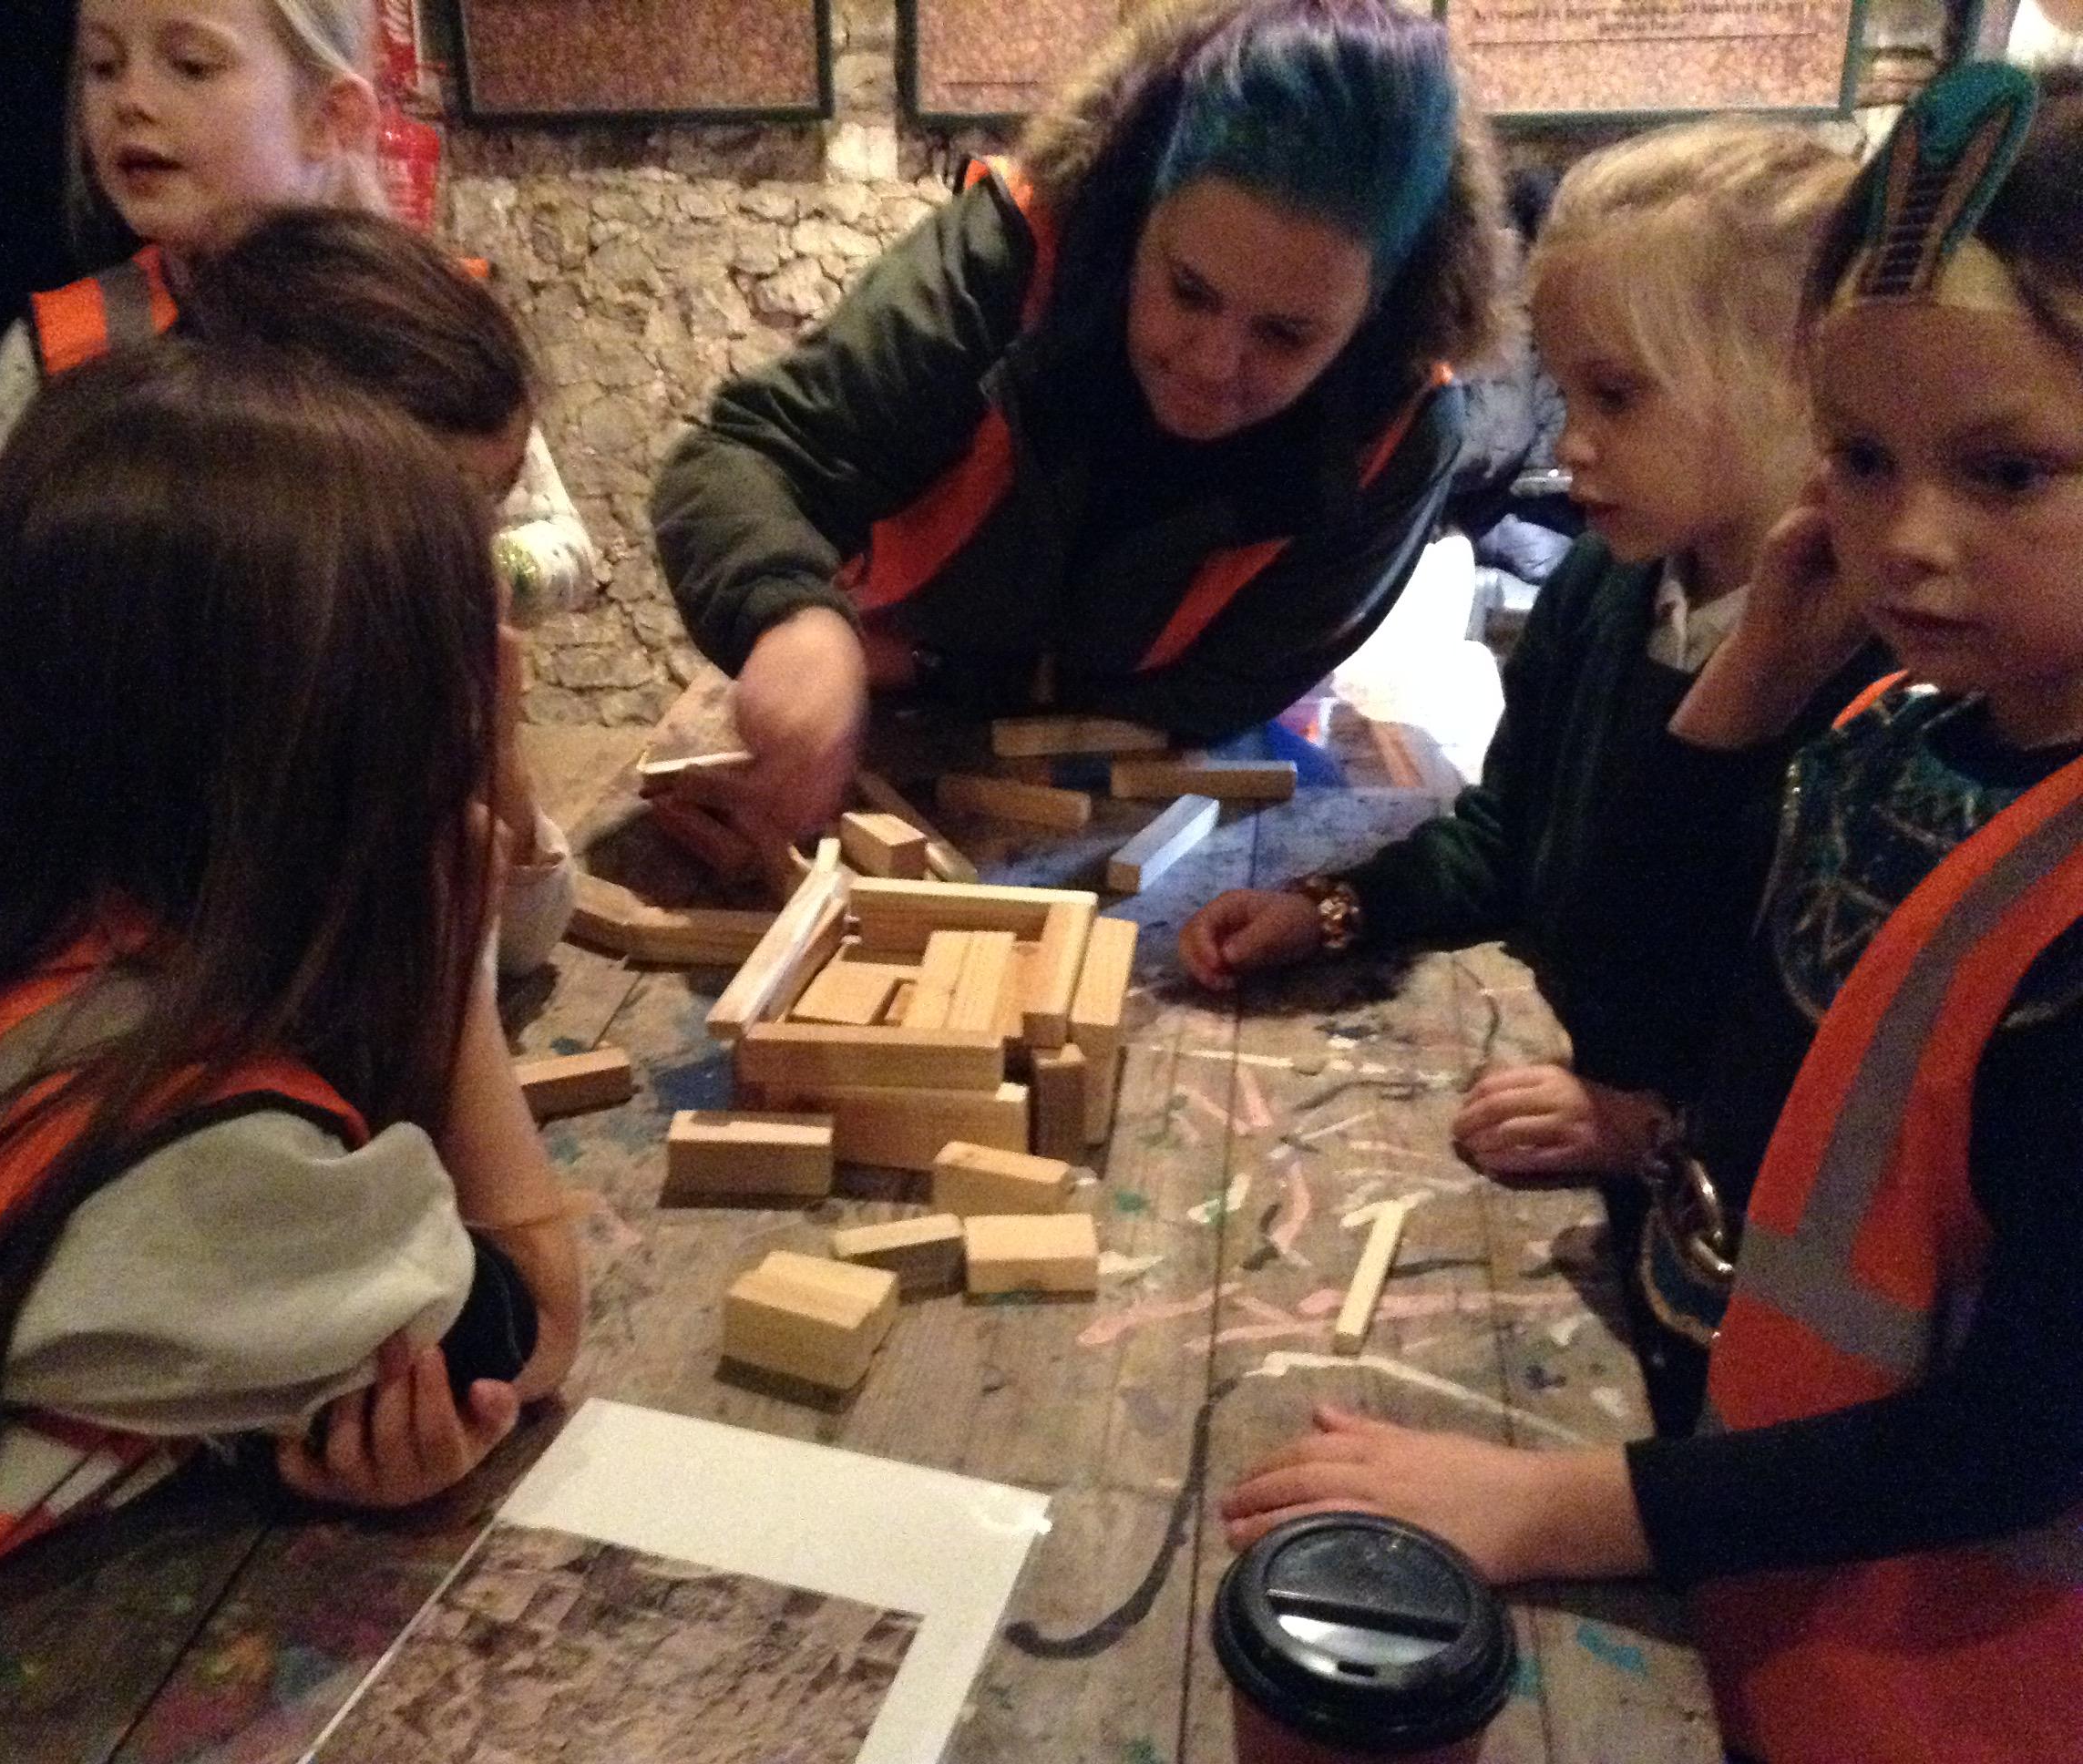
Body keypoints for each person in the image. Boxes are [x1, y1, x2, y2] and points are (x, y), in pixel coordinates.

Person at [1218, 63, 2083, 1762]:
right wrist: (1752, 675)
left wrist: (1560, 1507)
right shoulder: (1900, 733)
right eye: (1860, 458)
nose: (1906, 537)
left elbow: (2020, 1434)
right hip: (1762, 1528)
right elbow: (1613, 991)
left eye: (2007, 472)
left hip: (1951, 1657)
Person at [0, 346, 585, 1764]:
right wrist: (450, 960)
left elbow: (157, 1343)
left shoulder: (35, 971)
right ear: (341, 762)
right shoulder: (194, 1145)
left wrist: (291, 1424)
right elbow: (529, 1323)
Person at [1181, 121, 1875, 1401]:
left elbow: (1855, 1068)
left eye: (1618, 397)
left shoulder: (1883, 687)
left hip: (1736, 1275)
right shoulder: (1609, 592)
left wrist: (1652, 1122)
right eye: (1566, 395)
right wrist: (1333, 908)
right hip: (1588, 1151)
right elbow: (1507, 834)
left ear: (1795, 381)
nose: (1568, 447)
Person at [652, 0, 1511, 841]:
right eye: (1188, 290)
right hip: (886, 725)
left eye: (1286, 335)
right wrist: (795, 622)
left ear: (1377, 310)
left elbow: (1222, 693)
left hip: (1089, 782)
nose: (1213, 365)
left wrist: (926, 666)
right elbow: (744, 459)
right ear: (1140, 213)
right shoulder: (1012, 255)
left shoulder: (1401, 430)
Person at [0, 0, 597, 613]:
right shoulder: (66, 343)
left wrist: (476, 574)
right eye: (103, 65)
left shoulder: (411, 316)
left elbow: (558, 541)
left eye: (192, 65)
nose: (131, 99)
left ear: (329, 115)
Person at [177, 205, 578, 974]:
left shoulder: (386, 662)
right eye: (445, 511)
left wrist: (494, 754)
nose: (472, 558)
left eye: (488, 509)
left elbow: (524, 939)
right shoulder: (231, 707)